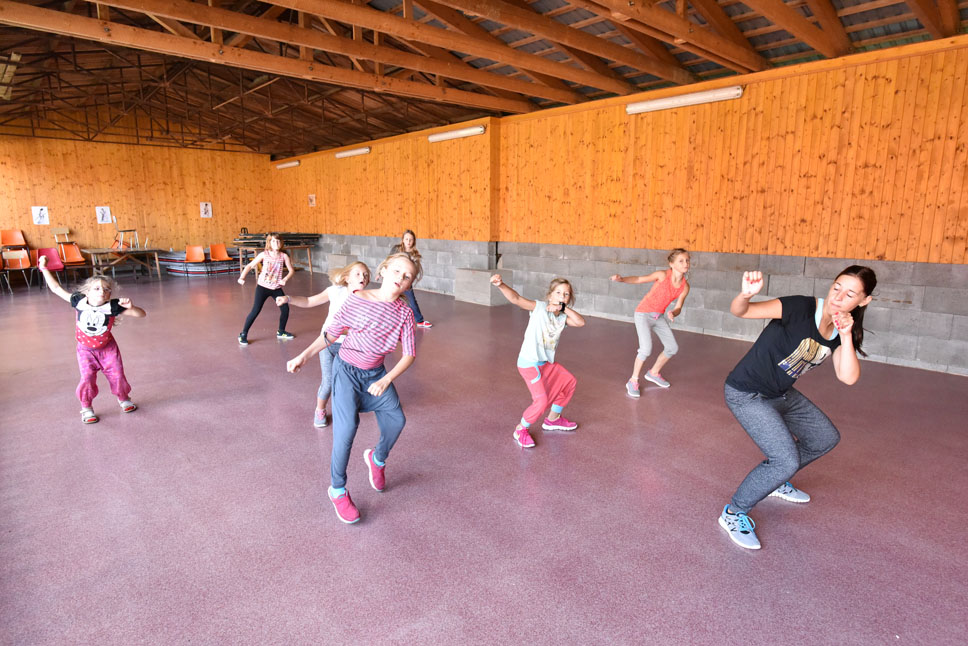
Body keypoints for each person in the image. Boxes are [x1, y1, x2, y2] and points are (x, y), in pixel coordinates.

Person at [718, 266, 876, 550]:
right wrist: (745, 295)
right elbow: (741, 311)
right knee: (785, 460)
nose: (838, 297)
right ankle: (733, 512)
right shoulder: (800, 307)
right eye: (837, 287)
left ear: (864, 301)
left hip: (780, 393)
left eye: (850, 294)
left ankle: (775, 481)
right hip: (746, 392)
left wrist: (846, 335)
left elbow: (848, 377)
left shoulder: (842, 329)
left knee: (824, 438)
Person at [287, 253, 418, 524]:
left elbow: (409, 354)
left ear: (409, 285)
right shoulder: (357, 299)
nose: (400, 278)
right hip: (346, 372)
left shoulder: (405, 313)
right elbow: (330, 335)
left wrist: (386, 380)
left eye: (407, 277)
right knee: (346, 430)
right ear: (383, 271)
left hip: (376, 374)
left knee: (397, 420)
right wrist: (303, 356)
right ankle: (337, 490)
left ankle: (377, 459)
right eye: (396, 271)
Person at [37, 255, 147, 424]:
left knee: (117, 375)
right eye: (96, 288)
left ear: (109, 294)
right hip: (85, 350)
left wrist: (132, 307)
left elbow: (141, 314)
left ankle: (123, 398)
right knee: (87, 378)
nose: (101, 291)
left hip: (108, 349)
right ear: (87, 292)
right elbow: (56, 288)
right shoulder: (79, 301)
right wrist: (44, 268)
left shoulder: (113, 306)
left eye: (106, 289)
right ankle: (86, 407)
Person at [490, 274, 585, 448]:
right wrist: (501, 285)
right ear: (550, 295)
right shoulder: (539, 308)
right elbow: (516, 299)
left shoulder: (562, 318)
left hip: (545, 363)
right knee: (541, 401)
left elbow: (580, 322)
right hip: (529, 363)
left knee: (569, 382)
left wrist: (563, 308)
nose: (562, 296)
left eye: (566, 294)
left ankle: (553, 419)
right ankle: (521, 429)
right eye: (558, 293)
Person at [276, 261, 370, 428]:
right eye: (357, 274)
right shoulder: (335, 291)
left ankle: (348, 408)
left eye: (365, 275)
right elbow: (308, 301)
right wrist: (288, 299)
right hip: (326, 343)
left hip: (349, 347)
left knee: (349, 381)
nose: (362, 277)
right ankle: (320, 409)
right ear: (347, 278)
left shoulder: (368, 299)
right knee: (328, 382)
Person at [609, 248, 690, 395]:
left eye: (687, 260)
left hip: (658, 317)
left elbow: (678, 307)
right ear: (671, 264)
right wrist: (622, 279)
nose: (686, 263)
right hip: (643, 314)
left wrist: (673, 313)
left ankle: (654, 373)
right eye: (681, 261)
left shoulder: (685, 287)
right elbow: (639, 279)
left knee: (672, 348)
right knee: (646, 349)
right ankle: (633, 381)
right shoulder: (662, 275)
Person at [238, 234, 294, 345]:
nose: (276, 243)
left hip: (276, 288)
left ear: (281, 243)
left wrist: (285, 279)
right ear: (269, 243)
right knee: (255, 310)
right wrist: (242, 277)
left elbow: (291, 270)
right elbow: (250, 265)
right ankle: (243, 334)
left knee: (285, 309)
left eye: (278, 241)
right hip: (262, 287)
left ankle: (281, 331)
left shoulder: (284, 256)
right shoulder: (264, 254)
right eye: (273, 241)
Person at [390, 229, 432, 329]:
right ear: (403, 240)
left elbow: (415, 269)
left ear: (413, 241)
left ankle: (420, 321)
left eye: (411, 240)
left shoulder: (414, 254)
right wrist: (380, 273)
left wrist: (410, 280)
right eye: (406, 239)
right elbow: (388, 261)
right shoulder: (396, 249)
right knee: (390, 298)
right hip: (394, 278)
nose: (408, 242)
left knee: (411, 300)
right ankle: (389, 320)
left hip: (406, 280)